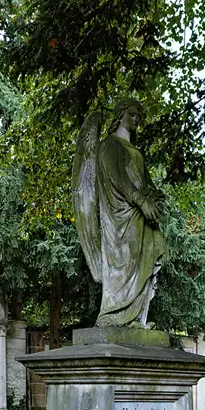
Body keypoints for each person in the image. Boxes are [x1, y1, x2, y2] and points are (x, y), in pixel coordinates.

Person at [72, 98, 166, 327]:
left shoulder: (135, 150)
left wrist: (155, 196)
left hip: (140, 216)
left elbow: (145, 181)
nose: (136, 120)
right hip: (120, 216)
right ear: (121, 114)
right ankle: (112, 316)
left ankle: (135, 318)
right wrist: (140, 200)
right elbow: (116, 178)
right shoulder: (109, 146)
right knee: (123, 264)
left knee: (153, 249)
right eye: (132, 114)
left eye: (139, 117)